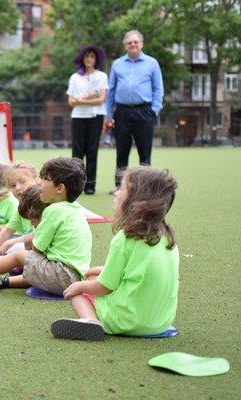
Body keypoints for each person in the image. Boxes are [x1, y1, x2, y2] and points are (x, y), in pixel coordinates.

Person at [51, 166, 178, 341]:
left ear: (137, 202)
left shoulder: (125, 238)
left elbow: (104, 287)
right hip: (160, 322)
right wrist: (104, 269)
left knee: (80, 289)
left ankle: (91, 322)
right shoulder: (166, 237)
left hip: (126, 321)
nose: (116, 193)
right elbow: (141, 271)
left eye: (122, 189)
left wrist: (79, 286)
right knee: (94, 279)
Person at [0, 157, 91, 294]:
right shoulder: (75, 209)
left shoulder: (53, 210)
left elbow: (37, 250)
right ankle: (4, 282)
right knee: (37, 268)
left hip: (61, 275)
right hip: (75, 280)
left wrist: (23, 248)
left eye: (45, 179)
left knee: (19, 256)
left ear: (60, 188)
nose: (40, 183)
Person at [105, 30, 164, 192]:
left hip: (145, 112)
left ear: (141, 44)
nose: (133, 45)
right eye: (129, 42)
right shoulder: (117, 64)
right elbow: (111, 90)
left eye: (136, 42)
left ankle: (145, 187)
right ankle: (120, 186)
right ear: (125, 45)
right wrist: (109, 115)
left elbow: (158, 89)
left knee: (144, 151)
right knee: (121, 151)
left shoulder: (152, 63)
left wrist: (154, 111)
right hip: (122, 112)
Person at [0, 162, 39, 272]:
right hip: (31, 245)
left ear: (36, 179)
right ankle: (10, 263)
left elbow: (39, 234)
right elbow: (7, 230)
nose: (18, 188)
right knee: (13, 247)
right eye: (13, 185)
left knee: (16, 248)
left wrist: (10, 242)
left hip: (46, 249)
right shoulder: (21, 206)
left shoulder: (43, 203)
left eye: (22, 182)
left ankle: (9, 263)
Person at [67, 45, 108, 195]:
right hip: (78, 117)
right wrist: (83, 100)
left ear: (96, 59)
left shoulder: (102, 76)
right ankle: (75, 185)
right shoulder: (75, 77)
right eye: (86, 56)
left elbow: (101, 100)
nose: (89, 59)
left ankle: (90, 185)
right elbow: (70, 102)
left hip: (95, 117)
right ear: (82, 59)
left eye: (92, 56)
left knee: (92, 151)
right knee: (77, 152)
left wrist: (81, 101)